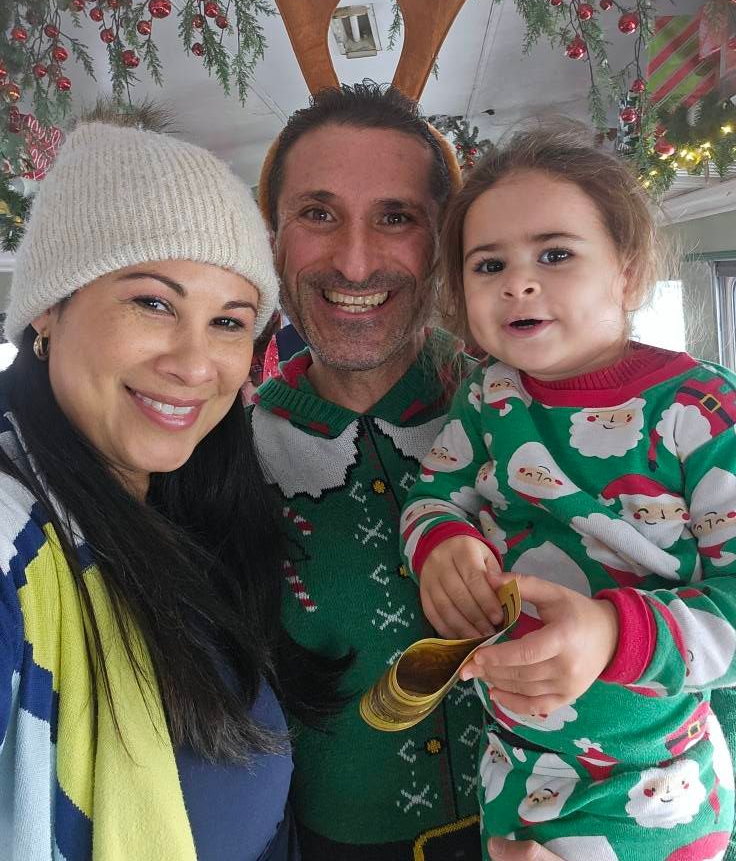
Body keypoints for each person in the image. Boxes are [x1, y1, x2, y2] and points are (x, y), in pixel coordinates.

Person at [0, 119, 339, 861]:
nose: (195, 364)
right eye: (153, 303)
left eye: (228, 322)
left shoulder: (190, 506)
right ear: (49, 310)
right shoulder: (15, 537)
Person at [400, 124, 736, 859]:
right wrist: (440, 542)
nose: (519, 281)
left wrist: (616, 635)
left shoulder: (703, 413)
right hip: (513, 768)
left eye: (555, 254)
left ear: (627, 269)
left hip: (654, 785)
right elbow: (434, 493)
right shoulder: (488, 398)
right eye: (489, 264)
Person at [250, 82, 490, 860]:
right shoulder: (217, 461)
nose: (354, 262)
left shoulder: (533, 418)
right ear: (273, 238)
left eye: (396, 217)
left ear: (440, 241)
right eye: (318, 214)